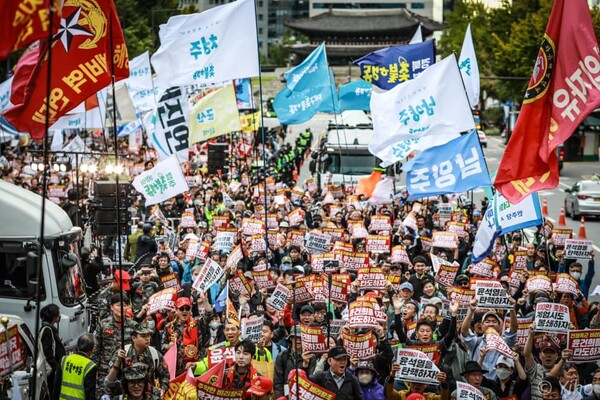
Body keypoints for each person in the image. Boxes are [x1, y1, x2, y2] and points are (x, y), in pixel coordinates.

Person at [104, 324, 169, 398]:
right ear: (134, 338)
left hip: (148, 396)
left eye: (148, 336)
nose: (147, 339)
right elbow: (109, 381)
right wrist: (118, 360)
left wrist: (162, 389)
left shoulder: (155, 354)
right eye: (143, 336)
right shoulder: (123, 352)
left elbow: (165, 375)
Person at [92, 294, 136, 393]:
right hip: (105, 369)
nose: (122, 308)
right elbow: (96, 348)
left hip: (127, 370)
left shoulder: (133, 325)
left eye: (125, 305)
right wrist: (94, 370)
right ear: (111, 307)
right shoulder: (103, 324)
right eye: (119, 305)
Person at [54, 333, 97, 400]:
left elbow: (56, 387)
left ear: (78, 346)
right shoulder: (90, 366)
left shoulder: (64, 360)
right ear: (91, 350)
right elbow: (90, 394)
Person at [40, 303, 66, 398]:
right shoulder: (47, 330)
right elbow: (47, 352)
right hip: (51, 371)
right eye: (58, 314)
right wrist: (55, 367)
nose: (60, 316)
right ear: (54, 316)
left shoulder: (50, 329)